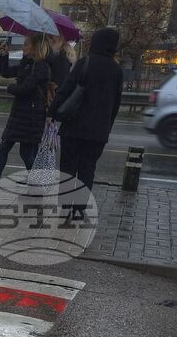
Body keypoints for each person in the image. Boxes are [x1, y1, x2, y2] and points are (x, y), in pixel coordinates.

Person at [53, 27, 124, 212]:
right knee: (87, 169)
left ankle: (66, 206)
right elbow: (115, 104)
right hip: (98, 131)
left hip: (74, 125)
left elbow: (67, 89)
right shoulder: (116, 70)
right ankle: (79, 208)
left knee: (68, 166)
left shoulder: (86, 62)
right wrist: (106, 128)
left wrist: (52, 112)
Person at [0, 34, 52, 193]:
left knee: (25, 152)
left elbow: (27, 89)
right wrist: (4, 55)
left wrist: (11, 88)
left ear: (35, 47)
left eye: (26, 44)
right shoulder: (27, 63)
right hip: (20, 114)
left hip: (31, 116)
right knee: (4, 147)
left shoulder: (41, 66)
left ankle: (38, 184)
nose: (23, 47)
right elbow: (6, 72)